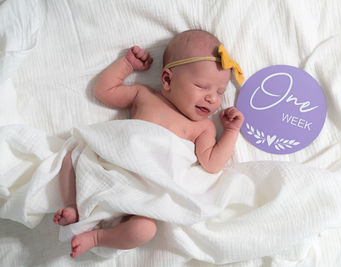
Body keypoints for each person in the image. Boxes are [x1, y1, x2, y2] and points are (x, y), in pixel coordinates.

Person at [53, 29, 245, 258]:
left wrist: (231, 131)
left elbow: (212, 163)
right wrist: (127, 64)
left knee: (145, 229)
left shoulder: (203, 127)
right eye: (202, 86)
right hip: (111, 167)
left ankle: (97, 237)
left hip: (144, 191)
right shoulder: (144, 96)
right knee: (72, 156)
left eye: (220, 91)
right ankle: (72, 206)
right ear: (167, 79)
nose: (213, 98)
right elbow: (103, 91)